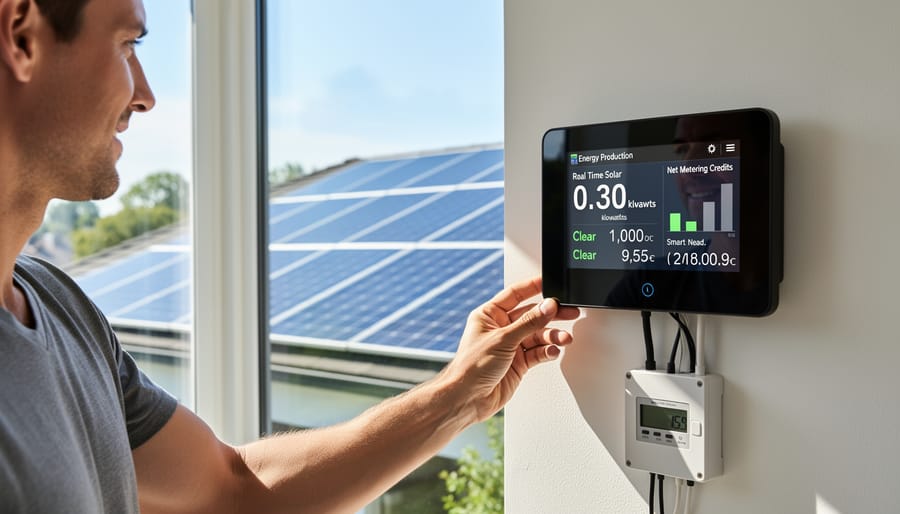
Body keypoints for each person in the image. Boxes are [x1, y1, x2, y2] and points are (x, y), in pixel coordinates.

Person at [0, 0, 580, 512]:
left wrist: (455, 398)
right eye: (127, 44)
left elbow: (234, 489)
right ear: (21, 36)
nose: (146, 95)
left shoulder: (63, 309)